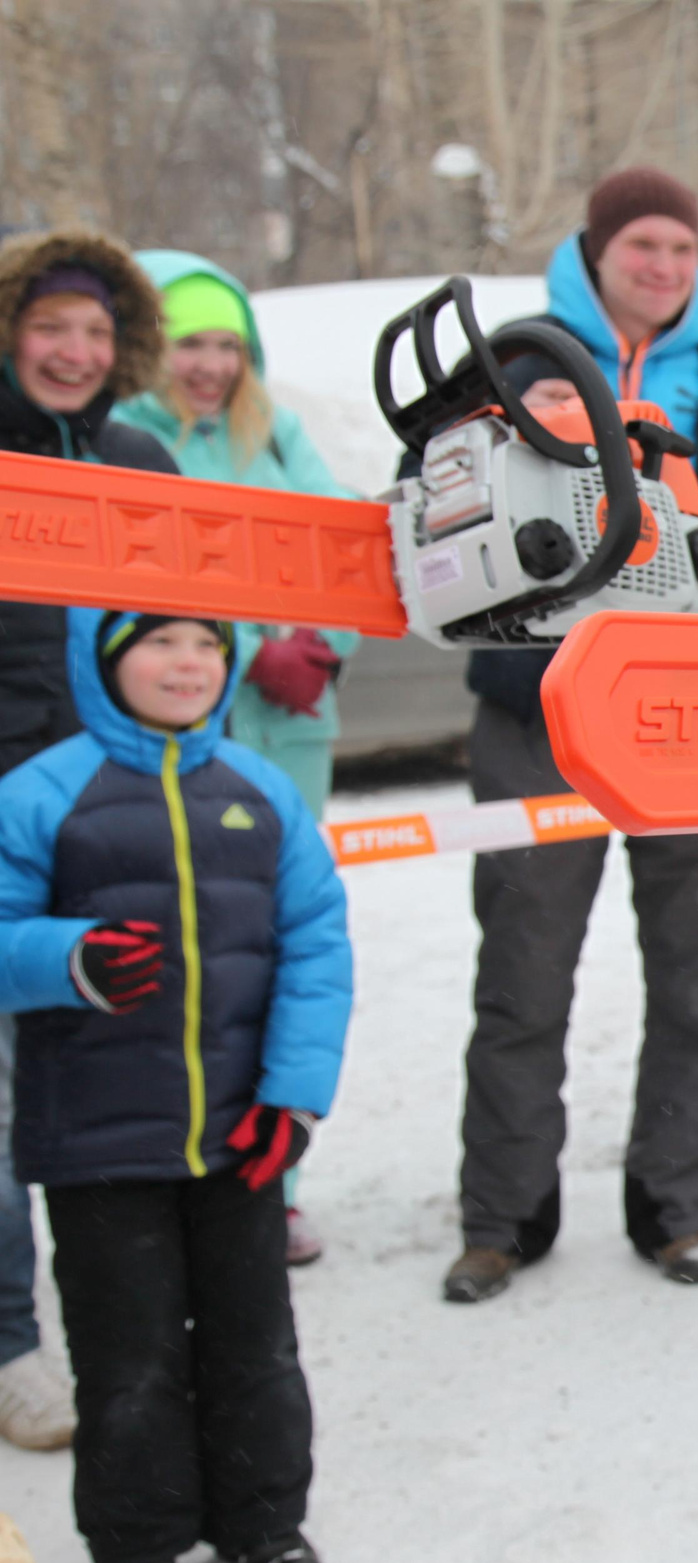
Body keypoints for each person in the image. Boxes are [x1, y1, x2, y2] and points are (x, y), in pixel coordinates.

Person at [443, 166, 698, 1303]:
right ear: (596, 250)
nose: (662, 265)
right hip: (531, 711)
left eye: (682, 249)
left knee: (697, 979)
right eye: (642, 244)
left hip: (694, 716)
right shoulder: (516, 358)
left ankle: (677, 1206)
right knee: (523, 976)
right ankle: (502, 1215)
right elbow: (435, 498)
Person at [0, 609, 352, 1563]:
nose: (188, 662)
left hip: (241, 1133)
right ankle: (139, 1545)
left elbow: (316, 949)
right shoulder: (40, 795)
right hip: (98, 1139)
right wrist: (64, 959)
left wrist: (295, 1098)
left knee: (255, 1345)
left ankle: (265, 1523)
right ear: (103, 660)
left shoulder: (260, 790)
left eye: (207, 644)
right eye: (158, 643)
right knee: (129, 1358)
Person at [114, 250, 356, 1268]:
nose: (208, 366)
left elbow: (342, 545)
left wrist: (325, 640)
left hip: (287, 744)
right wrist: (253, 651)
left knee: (274, 957)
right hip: (179, 736)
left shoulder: (276, 432)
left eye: (226, 345)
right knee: (175, 964)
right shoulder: (130, 438)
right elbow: (138, 577)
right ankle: (166, 1178)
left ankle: (274, 1184)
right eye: (188, 343)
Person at [0, 229, 177, 1455]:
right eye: (53, 326)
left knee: (109, 1063)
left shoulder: (138, 456)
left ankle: (132, 1319)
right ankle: (11, 1341)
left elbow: (182, 637)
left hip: (111, 812)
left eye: (98, 332)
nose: (74, 352)